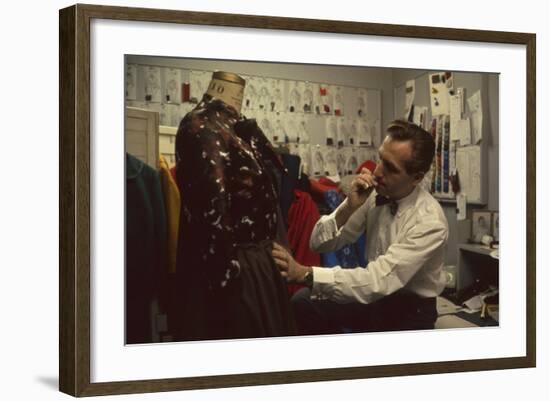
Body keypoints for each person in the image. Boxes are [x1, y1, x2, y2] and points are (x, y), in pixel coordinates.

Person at [272, 120, 449, 335]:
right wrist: (348, 207)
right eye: (380, 159)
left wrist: (305, 274)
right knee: (303, 302)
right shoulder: (375, 195)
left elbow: (377, 280)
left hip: (410, 310)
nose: (377, 172)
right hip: (377, 299)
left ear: (417, 178)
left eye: (390, 168)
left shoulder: (429, 222)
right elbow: (317, 243)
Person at [172, 71, 294, 341]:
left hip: (258, 265)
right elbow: (212, 214)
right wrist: (229, 286)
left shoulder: (236, 127)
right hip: (236, 270)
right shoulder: (201, 127)